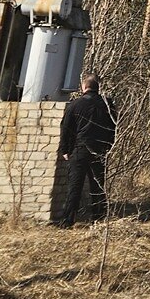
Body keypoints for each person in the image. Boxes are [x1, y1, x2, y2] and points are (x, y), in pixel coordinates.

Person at [54, 74, 117, 227]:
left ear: (84, 87)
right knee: (98, 187)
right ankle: (99, 218)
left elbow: (66, 129)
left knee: (74, 187)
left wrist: (65, 149)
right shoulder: (107, 105)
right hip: (100, 150)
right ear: (98, 87)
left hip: (79, 150)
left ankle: (67, 220)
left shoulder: (75, 105)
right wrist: (109, 146)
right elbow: (114, 126)